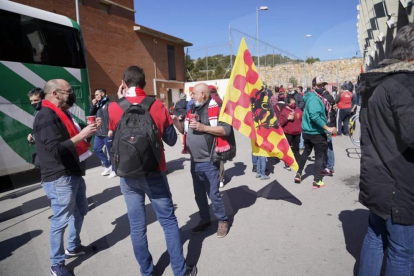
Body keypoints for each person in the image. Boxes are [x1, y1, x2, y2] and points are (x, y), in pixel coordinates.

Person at [107, 66, 197, 276]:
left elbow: (112, 137)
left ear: (123, 83)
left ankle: (147, 272)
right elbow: (172, 141)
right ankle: (180, 271)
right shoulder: (156, 105)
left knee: (137, 227)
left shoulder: (113, 107)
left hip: (128, 176)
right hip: (154, 172)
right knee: (168, 222)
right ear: (145, 83)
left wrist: (121, 100)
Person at [358, 24, 414, 276]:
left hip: (377, 177)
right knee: (402, 251)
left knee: (375, 236)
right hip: (399, 184)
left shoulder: (376, 82)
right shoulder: (405, 83)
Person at [33, 79, 98, 276]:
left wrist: (86, 133)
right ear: (55, 93)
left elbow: (70, 139)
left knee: (80, 211)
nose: (71, 94)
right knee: (60, 221)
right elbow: (54, 150)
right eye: (68, 91)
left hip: (72, 172)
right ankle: (56, 263)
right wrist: (82, 135)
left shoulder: (61, 113)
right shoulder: (45, 115)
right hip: (59, 176)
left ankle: (73, 246)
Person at [172, 83, 231, 238]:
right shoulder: (193, 109)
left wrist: (203, 127)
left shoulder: (216, 108)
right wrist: (175, 121)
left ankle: (222, 220)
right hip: (195, 160)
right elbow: (184, 130)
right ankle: (205, 219)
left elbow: (226, 129)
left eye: (194, 93)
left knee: (213, 194)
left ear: (203, 94)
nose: (191, 96)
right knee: (199, 194)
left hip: (209, 160)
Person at [294, 76, 337, 189]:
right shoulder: (314, 99)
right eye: (319, 85)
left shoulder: (312, 97)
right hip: (316, 132)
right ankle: (317, 180)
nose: (321, 87)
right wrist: (327, 128)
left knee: (306, 152)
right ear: (313, 86)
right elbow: (314, 116)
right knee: (319, 156)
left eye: (323, 85)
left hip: (308, 132)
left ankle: (298, 173)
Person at [89, 88, 116, 179]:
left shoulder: (110, 104)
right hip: (99, 132)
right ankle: (107, 165)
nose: (96, 96)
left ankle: (114, 169)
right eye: (95, 95)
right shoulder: (98, 105)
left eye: (97, 94)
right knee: (96, 149)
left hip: (108, 132)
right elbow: (91, 113)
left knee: (110, 152)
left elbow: (113, 118)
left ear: (103, 94)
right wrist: (93, 105)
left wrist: (111, 129)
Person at [208, 85, 226, 188]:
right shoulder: (220, 102)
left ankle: (214, 178)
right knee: (220, 159)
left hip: (210, 133)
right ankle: (221, 178)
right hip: (220, 133)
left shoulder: (209, 103)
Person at [279, 97, 303, 171]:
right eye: (291, 103)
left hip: (297, 132)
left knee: (296, 148)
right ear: (288, 103)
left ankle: (297, 163)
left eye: (294, 103)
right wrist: (287, 119)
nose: (293, 104)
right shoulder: (284, 111)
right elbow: (280, 123)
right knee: (288, 148)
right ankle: (287, 163)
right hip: (288, 133)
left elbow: (303, 119)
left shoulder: (298, 110)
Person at [321, 88, 336, 176]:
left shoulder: (323, 99)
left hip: (327, 125)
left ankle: (329, 167)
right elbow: (334, 111)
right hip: (330, 125)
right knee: (328, 146)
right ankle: (328, 166)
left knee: (327, 147)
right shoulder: (330, 97)